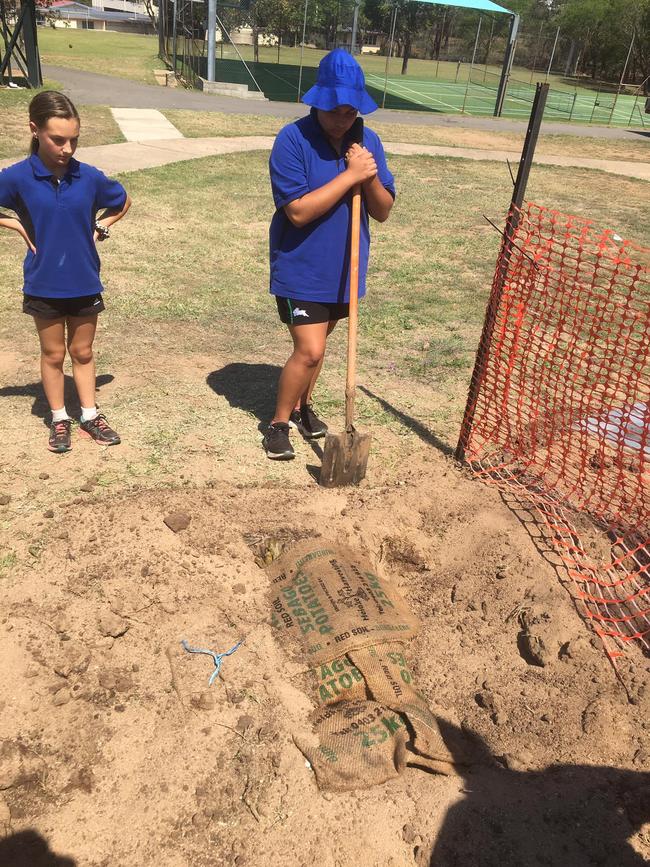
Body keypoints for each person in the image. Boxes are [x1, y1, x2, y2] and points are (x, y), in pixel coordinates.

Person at [264, 48, 395, 461]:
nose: (344, 117)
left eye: (351, 109)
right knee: (310, 350)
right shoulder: (292, 139)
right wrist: (349, 176)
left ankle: (304, 407)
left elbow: (383, 210)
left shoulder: (367, 140)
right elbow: (298, 211)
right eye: (335, 109)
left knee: (319, 346)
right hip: (301, 266)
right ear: (318, 102)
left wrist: (368, 175)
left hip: (344, 267)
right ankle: (278, 423)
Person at [0, 91, 130, 453]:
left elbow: (122, 200)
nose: (67, 148)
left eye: (74, 139)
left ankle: (89, 414)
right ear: (35, 130)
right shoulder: (18, 178)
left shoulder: (88, 177)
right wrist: (15, 225)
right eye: (58, 139)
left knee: (83, 352)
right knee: (54, 354)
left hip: (84, 280)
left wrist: (104, 225)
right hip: (43, 282)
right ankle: (59, 418)